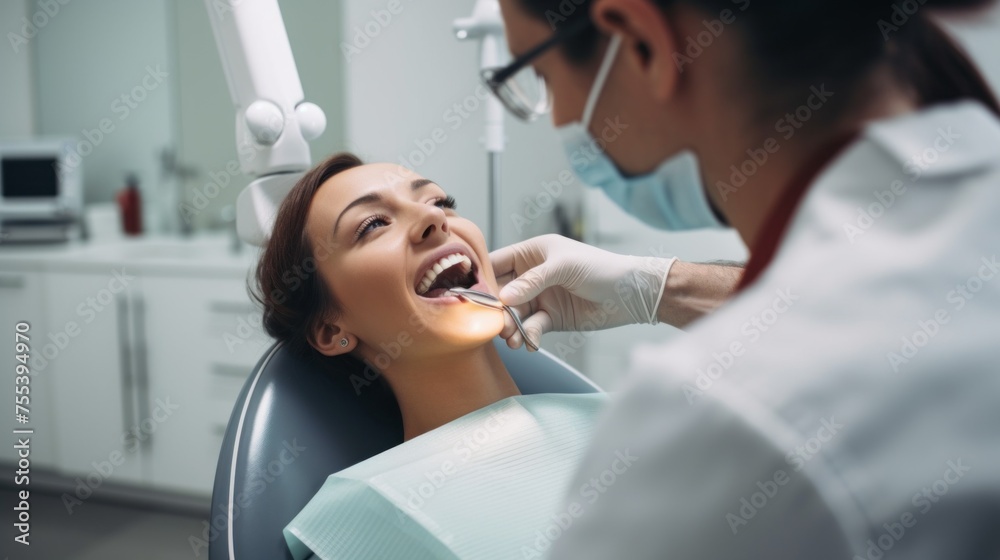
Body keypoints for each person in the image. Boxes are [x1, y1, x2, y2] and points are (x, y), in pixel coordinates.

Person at [485, 0, 1000, 558]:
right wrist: (658, 286)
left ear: (641, 41)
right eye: (373, 223)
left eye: (541, 74)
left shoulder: (720, 421)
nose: (433, 224)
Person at [250, 153, 610, 559]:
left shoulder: (620, 418)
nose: (434, 220)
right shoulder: (371, 519)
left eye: (438, 201)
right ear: (332, 330)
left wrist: (662, 293)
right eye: (373, 224)